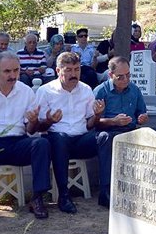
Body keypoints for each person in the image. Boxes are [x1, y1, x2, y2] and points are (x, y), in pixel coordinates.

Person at [0, 51, 51, 224]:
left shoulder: (26, 92)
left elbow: (30, 130)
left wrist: (34, 120)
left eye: (16, 71)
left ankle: (37, 197)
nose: (13, 76)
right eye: (7, 71)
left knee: (41, 143)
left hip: (17, 142)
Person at [35, 52, 104, 214]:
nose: (74, 74)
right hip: (56, 138)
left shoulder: (86, 89)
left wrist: (98, 115)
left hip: (80, 138)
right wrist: (50, 120)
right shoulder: (46, 91)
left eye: (77, 69)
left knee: (104, 138)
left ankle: (106, 188)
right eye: (69, 70)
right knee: (60, 139)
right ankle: (64, 195)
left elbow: (89, 125)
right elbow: (39, 127)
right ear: (58, 71)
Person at [93, 56, 148, 207]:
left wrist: (142, 118)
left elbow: (140, 113)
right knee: (105, 138)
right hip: (108, 131)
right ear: (110, 75)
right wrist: (113, 121)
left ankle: (149, 187)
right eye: (120, 76)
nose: (125, 79)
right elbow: (93, 122)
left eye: (128, 75)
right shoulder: (101, 91)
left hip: (130, 129)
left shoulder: (134, 89)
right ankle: (105, 190)